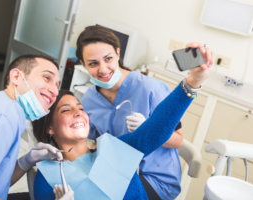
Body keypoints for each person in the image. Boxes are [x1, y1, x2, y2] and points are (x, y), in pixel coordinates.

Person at [31, 43, 213, 199]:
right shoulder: (48, 176)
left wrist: (193, 81)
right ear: (49, 127)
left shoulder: (113, 149)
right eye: (66, 110)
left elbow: (156, 129)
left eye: (80, 108)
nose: (79, 113)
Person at [76, 26, 206, 199]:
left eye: (108, 59)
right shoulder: (90, 98)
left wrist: (147, 128)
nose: (103, 69)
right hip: (117, 169)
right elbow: (94, 140)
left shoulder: (151, 89)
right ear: (82, 63)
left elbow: (178, 140)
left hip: (154, 178)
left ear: (118, 53)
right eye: (93, 63)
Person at [0, 55, 73, 200]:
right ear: (16, 76)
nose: (55, 92)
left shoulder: (5, 110)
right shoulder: (2, 114)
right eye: (47, 78)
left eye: (57, 85)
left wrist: (26, 162)